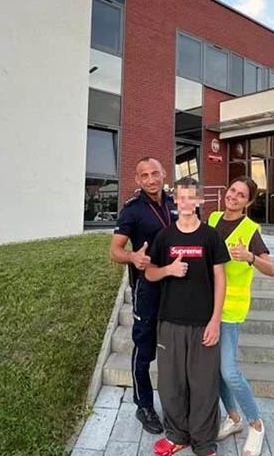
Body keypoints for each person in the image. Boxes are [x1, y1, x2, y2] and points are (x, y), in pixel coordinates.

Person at [146, 178, 229, 456]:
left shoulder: (210, 236)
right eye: (180, 198)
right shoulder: (166, 237)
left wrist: (215, 319)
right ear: (175, 202)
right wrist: (168, 270)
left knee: (204, 385)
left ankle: (204, 443)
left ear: (199, 201)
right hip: (170, 321)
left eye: (190, 197)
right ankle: (176, 436)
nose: (184, 203)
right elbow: (150, 273)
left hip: (202, 323)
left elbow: (220, 277)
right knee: (171, 384)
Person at [109, 156, 177, 434]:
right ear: (137, 180)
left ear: (164, 174)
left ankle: (177, 403)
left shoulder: (176, 203)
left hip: (177, 285)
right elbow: (114, 251)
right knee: (144, 348)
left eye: (155, 173)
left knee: (175, 347)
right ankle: (144, 405)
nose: (151, 179)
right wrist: (132, 257)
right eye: (144, 175)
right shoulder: (132, 210)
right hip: (146, 288)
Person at [211, 176, 274, 456]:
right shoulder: (212, 219)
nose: (233, 196)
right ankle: (233, 419)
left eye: (240, 195)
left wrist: (250, 257)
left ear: (248, 202)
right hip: (205, 306)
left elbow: (271, 269)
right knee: (215, 372)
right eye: (232, 191)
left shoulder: (250, 230)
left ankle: (256, 423)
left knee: (229, 371)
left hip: (231, 310)